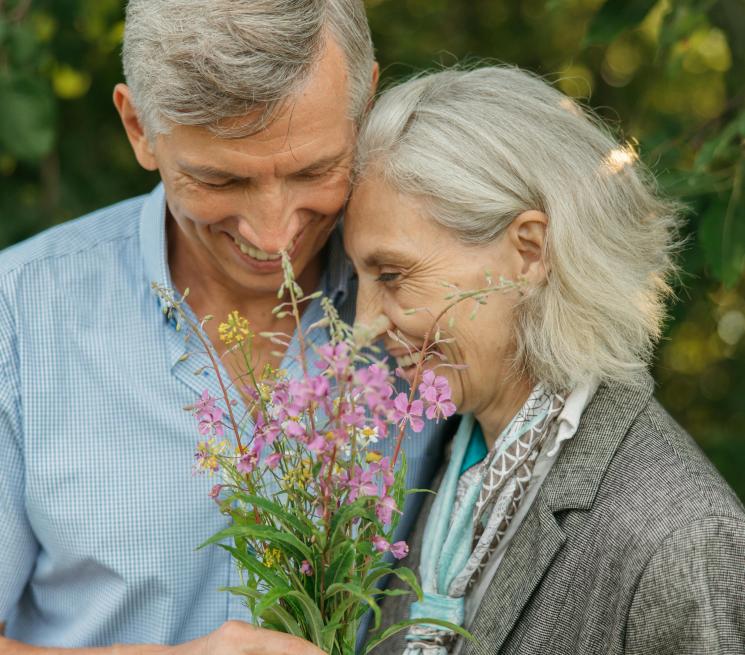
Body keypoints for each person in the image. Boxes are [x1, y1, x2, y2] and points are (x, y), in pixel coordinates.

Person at [0, 1, 450, 652]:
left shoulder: (449, 303)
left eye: (312, 170)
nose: (273, 236)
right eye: (219, 178)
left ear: (365, 105)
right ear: (138, 128)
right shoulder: (18, 318)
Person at [343, 66, 745, 654]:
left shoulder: (681, 536)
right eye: (359, 276)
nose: (365, 322)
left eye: (393, 274)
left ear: (528, 253)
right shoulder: (446, 464)